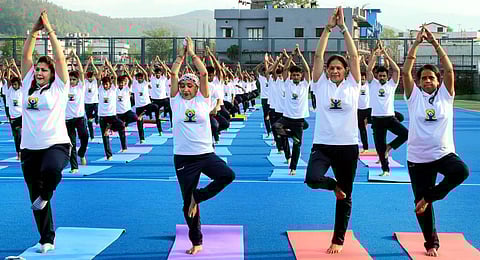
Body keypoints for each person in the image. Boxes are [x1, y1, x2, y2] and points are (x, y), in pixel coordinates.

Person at [403, 26, 469, 257]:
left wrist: (434, 43)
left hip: (443, 154)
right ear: (419, 82)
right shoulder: (414, 98)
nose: (428, 80)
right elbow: (406, 72)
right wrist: (416, 44)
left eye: (432, 77)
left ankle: (429, 196)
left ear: (438, 80)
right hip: (418, 158)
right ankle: (431, 244)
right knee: (422, 210)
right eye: (424, 78)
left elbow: (449, 70)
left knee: (461, 171)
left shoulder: (445, 95)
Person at [170, 37, 235, 255]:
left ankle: (199, 195)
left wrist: (194, 54)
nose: (185, 88)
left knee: (227, 175)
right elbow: (173, 73)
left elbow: (205, 74)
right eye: (182, 85)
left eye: (189, 85)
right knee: (186, 204)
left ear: (196, 88)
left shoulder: (203, 100)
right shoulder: (175, 101)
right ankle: (196, 241)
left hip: (205, 154)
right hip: (184, 158)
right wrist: (181, 55)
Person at [304, 7, 361, 254]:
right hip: (323, 145)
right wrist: (328, 29)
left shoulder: (353, 85)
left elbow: (355, 56)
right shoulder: (320, 85)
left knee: (346, 197)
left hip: (348, 147)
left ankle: (338, 239)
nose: (335, 70)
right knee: (312, 179)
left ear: (345, 71)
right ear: (327, 70)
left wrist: (345, 28)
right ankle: (333, 185)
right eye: (332, 67)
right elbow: (317, 57)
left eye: (339, 67)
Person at [20, 11, 71, 254]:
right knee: (35, 198)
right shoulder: (27, 84)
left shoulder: (59, 88)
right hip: (29, 148)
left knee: (50, 171)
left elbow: (60, 60)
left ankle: (46, 193)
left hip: (56, 144)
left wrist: (49, 29)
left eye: (44, 70)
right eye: (38, 69)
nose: (39, 72)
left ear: (52, 74)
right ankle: (46, 238)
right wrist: (33, 30)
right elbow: (25, 55)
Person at [367, 41, 408, 176]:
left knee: (406, 134)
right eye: (380, 76)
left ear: (387, 76)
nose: (382, 77)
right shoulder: (373, 84)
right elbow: (368, 70)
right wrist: (375, 55)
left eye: (384, 75)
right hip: (377, 120)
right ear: (377, 76)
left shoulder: (391, 84)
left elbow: (396, 70)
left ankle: (389, 147)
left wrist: (385, 55)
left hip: (390, 118)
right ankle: (385, 170)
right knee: (379, 148)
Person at [272, 45, 311, 176]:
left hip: (299, 119)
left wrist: (300, 55)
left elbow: (307, 69)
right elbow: (285, 69)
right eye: (293, 75)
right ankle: (290, 135)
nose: (295, 76)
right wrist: (291, 56)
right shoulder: (287, 83)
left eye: (297, 75)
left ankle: (293, 168)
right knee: (275, 126)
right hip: (287, 117)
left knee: (297, 146)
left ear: (301, 76)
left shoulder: (305, 85)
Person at [98, 59, 127, 158]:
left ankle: (109, 128)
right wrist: (102, 65)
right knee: (105, 137)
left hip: (112, 115)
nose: (105, 86)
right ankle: (108, 155)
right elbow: (98, 77)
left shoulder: (113, 90)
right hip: (102, 116)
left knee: (122, 125)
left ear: (110, 84)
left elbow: (114, 76)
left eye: (107, 84)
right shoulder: (100, 89)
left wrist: (109, 66)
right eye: (104, 84)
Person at [65, 51, 89, 173]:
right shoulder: (64, 87)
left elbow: (81, 71)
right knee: (72, 144)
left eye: (74, 79)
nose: (72, 81)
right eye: (70, 79)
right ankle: (74, 167)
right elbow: (61, 69)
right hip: (68, 119)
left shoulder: (81, 86)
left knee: (85, 136)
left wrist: (77, 58)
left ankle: (82, 152)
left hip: (79, 118)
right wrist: (68, 58)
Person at [5, 61, 23, 160]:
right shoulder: (10, 89)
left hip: (21, 116)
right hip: (13, 117)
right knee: (16, 137)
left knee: (21, 135)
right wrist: (8, 68)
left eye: (16, 84)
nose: (14, 86)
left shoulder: (22, 90)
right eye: (13, 85)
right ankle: (18, 152)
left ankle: (22, 152)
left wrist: (15, 66)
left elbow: (20, 77)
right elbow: (8, 79)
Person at [83, 56, 101, 140]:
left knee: (97, 112)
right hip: (87, 103)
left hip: (95, 102)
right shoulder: (85, 82)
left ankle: (96, 119)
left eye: (91, 77)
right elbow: (83, 73)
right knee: (89, 121)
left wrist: (92, 63)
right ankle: (92, 136)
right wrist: (87, 63)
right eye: (89, 77)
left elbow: (98, 73)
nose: (90, 78)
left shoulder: (95, 81)